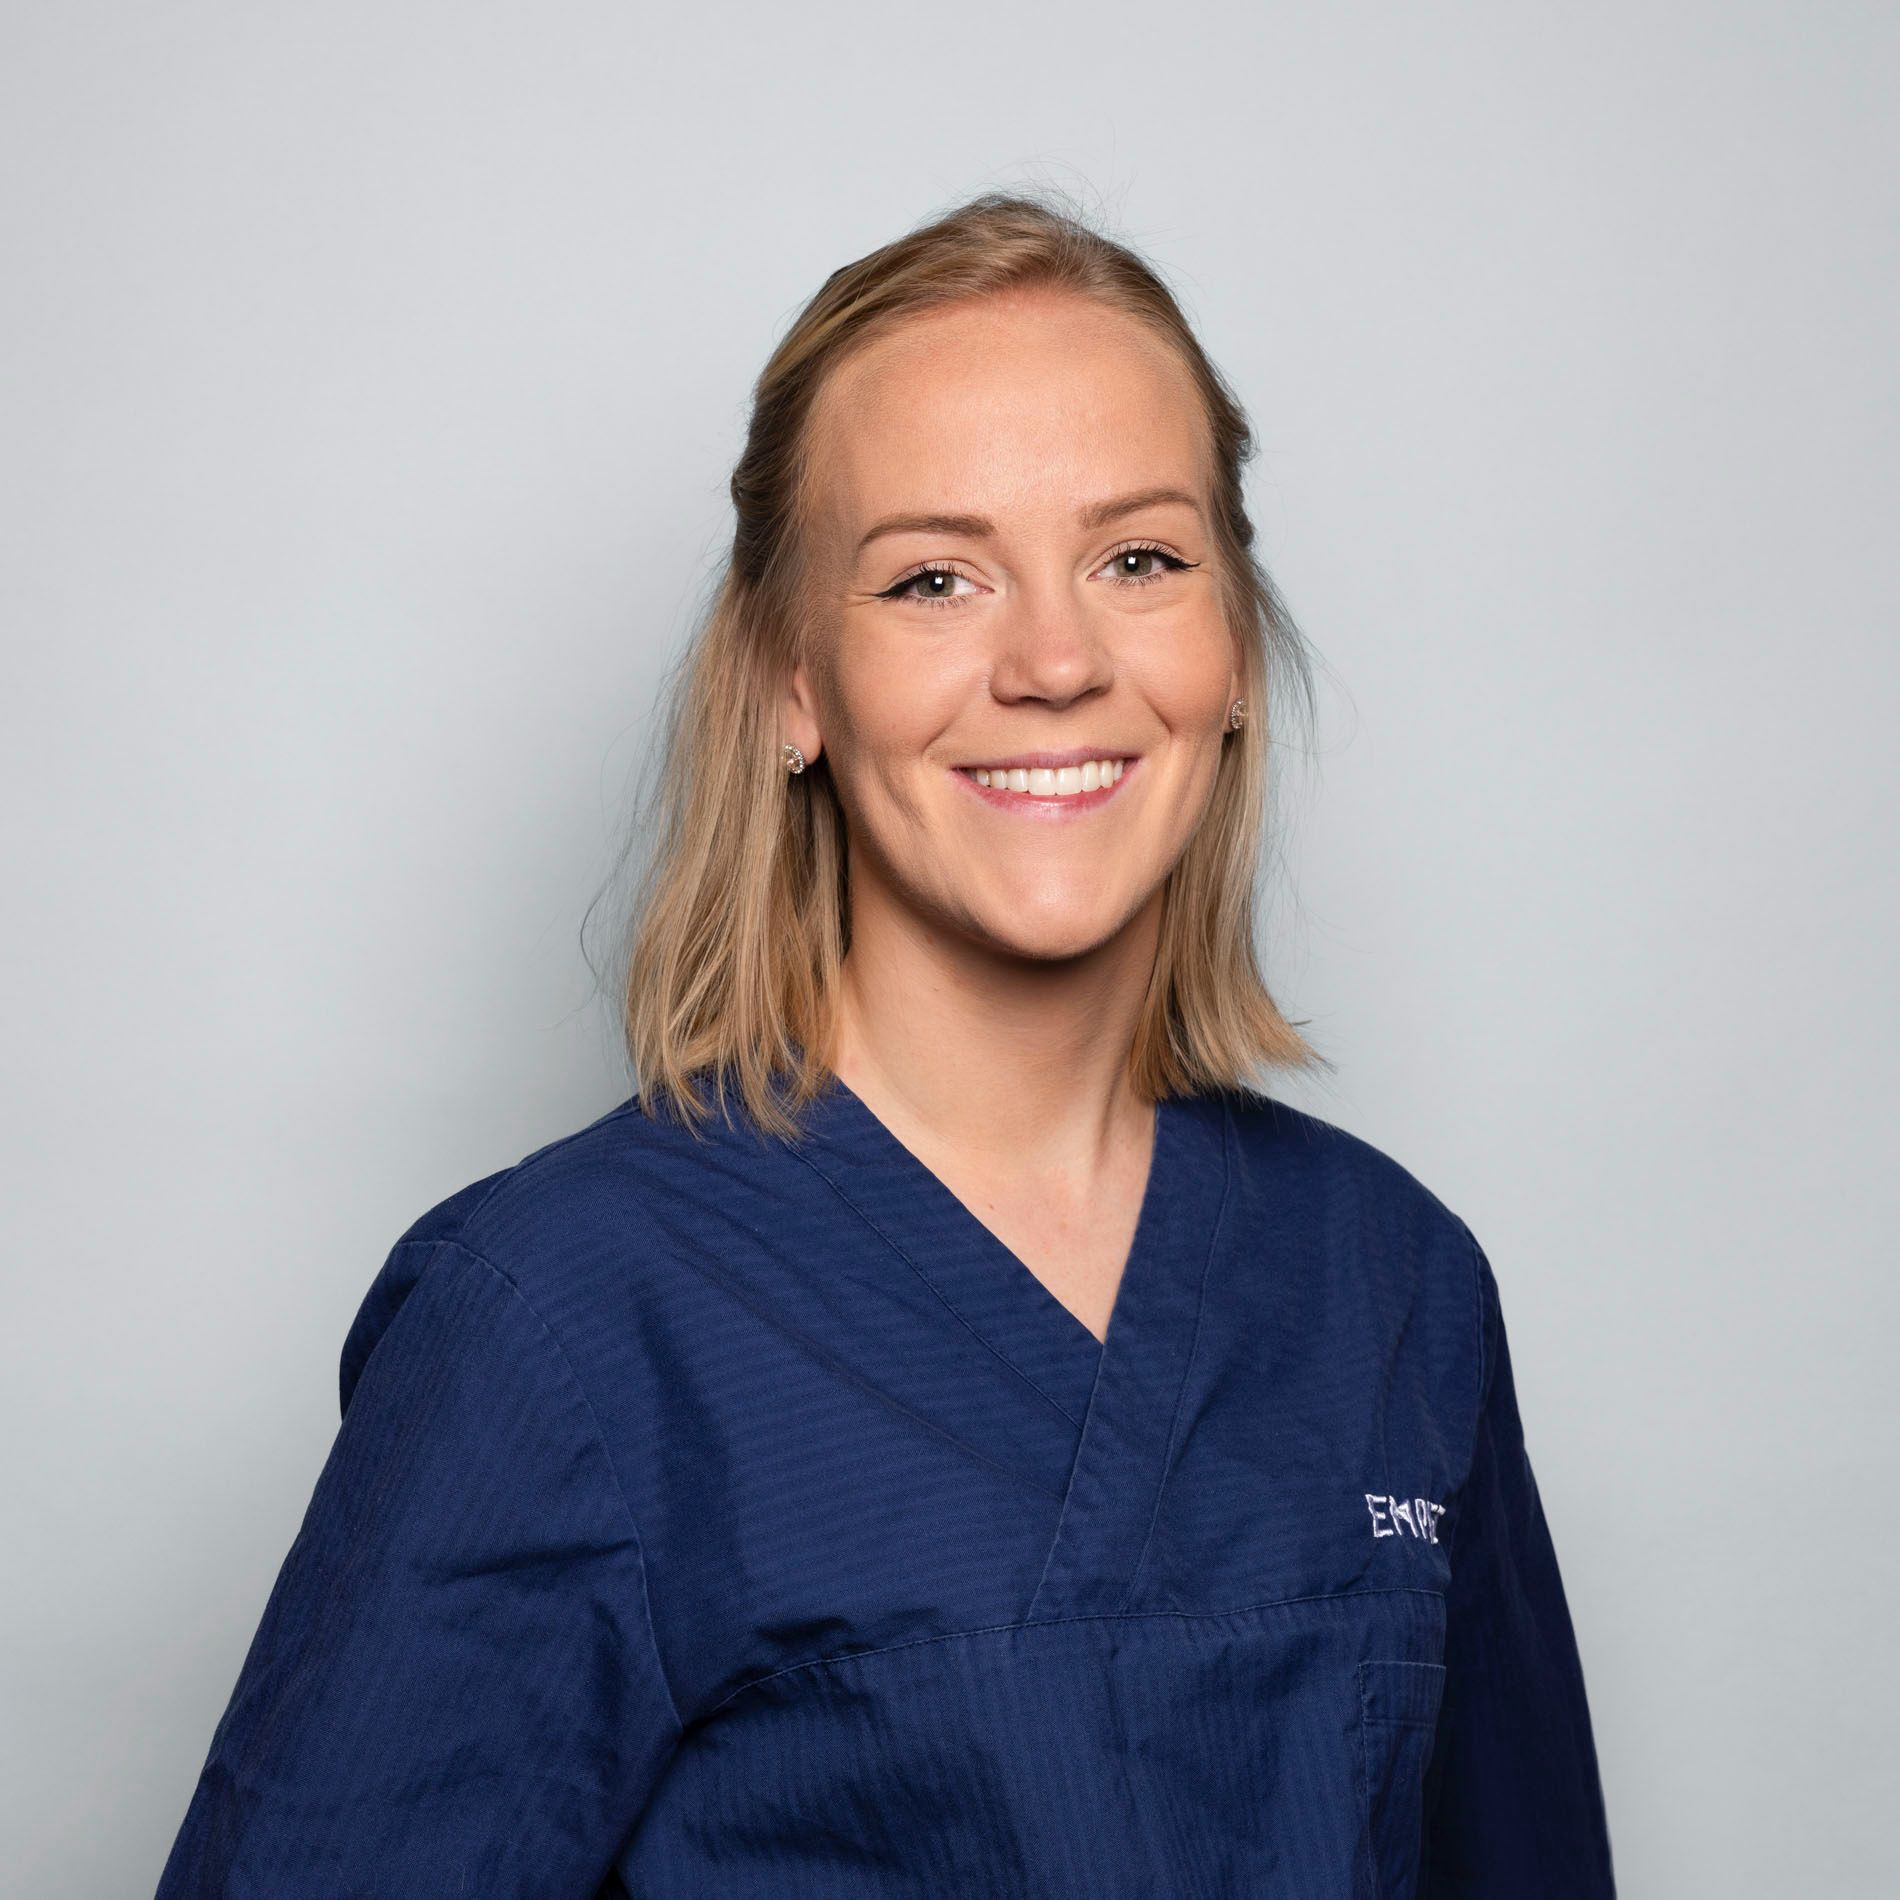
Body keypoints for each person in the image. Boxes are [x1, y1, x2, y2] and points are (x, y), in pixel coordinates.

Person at [155, 191, 1616, 1897]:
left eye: (1139, 561)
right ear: (794, 684)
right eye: (935, 579)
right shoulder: (560, 1321)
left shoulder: (1393, 1284)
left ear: (1230, 653)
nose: (1055, 660)